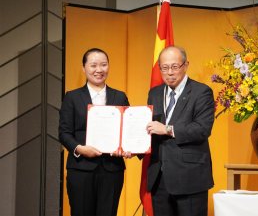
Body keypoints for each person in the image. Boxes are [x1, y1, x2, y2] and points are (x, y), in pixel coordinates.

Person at [59, 48, 130, 216]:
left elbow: (127, 128)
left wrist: (129, 147)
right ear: (84, 68)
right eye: (93, 65)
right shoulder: (72, 97)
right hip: (81, 169)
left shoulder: (120, 96)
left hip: (112, 170)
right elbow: (64, 132)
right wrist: (79, 149)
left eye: (104, 65)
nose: (99, 70)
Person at [146, 46, 215, 216]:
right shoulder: (154, 93)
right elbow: (150, 128)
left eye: (175, 67)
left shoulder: (202, 92)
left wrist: (168, 129)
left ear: (186, 65)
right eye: (164, 67)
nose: (169, 72)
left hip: (189, 177)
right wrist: (132, 147)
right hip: (159, 176)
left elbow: (202, 129)